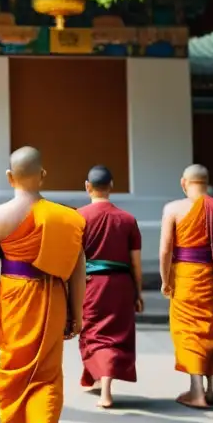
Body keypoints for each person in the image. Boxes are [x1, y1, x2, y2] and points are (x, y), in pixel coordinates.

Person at [0, 146, 85, 423]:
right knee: (47, 372)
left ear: (10, 177)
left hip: (13, 297)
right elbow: (78, 269)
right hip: (52, 296)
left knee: (13, 367)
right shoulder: (65, 216)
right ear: (42, 175)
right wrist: (76, 313)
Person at [160, 164, 213, 409]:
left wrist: (165, 280)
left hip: (184, 276)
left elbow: (165, 249)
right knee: (209, 331)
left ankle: (196, 391)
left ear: (184, 182)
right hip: (210, 276)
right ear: (207, 182)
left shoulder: (173, 208)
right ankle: (210, 389)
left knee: (188, 332)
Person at [77, 165, 143, 409]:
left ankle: (104, 391)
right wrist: (137, 292)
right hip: (120, 284)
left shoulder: (78, 217)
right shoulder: (127, 219)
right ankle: (98, 381)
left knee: (94, 332)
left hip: (90, 284)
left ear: (87, 186)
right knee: (115, 335)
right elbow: (135, 262)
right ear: (112, 187)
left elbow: (73, 258)